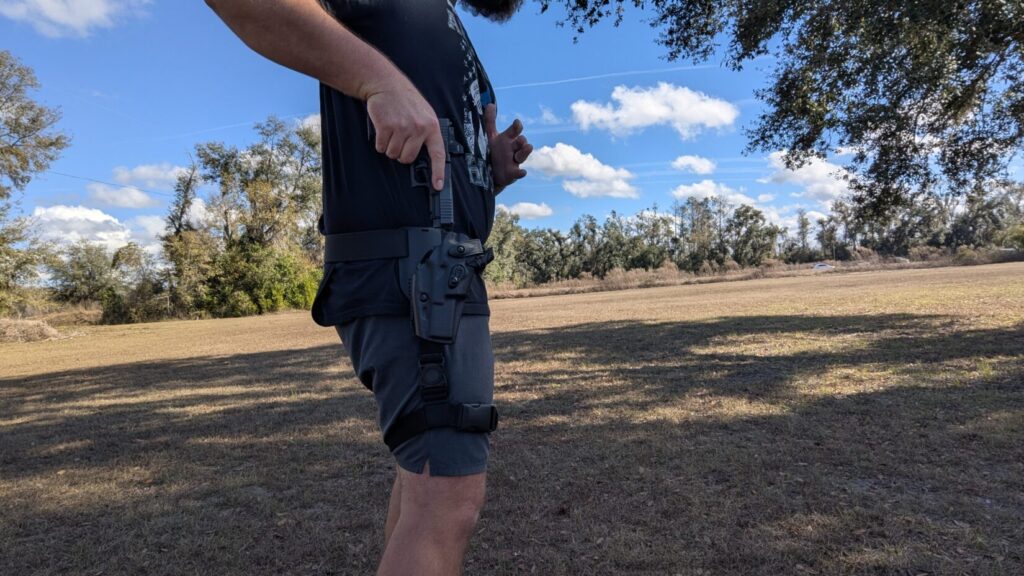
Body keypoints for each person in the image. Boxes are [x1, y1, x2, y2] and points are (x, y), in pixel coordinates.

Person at [204, 1, 533, 574]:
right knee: (447, 501)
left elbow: (431, 153)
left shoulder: (450, 23)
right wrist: (378, 81)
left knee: (423, 479)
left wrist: (488, 167)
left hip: (442, 272)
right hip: (413, 275)